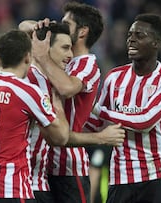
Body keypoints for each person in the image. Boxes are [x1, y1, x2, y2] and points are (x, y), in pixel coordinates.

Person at [23, 22, 125, 203]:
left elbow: (22, 29)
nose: (70, 55)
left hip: (37, 178)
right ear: (45, 46)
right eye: (64, 48)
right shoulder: (38, 83)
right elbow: (60, 137)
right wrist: (101, 137)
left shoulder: (33, 75)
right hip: (35, 181)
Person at [88, 13, 161, 203]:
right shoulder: (114, 77)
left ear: (156, 43)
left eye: (139, 35)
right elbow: (93, 123)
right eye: (129, 35)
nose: (131, 39)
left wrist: (97, 109)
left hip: (156, 176)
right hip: (120, 177)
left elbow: (145, 122)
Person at [0, 30, 70, 203]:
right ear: (27, 57)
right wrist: (57, 104)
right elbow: (61, 137)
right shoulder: (26, 91)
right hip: (13, 190)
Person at [30, 2, 105, 203]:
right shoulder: (61, 56)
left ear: (82, 32)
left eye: (65, 23)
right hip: (44, 165)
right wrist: (43, 27)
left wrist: (43, 57)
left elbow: (66, 88)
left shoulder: (88, 65)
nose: (59, 25)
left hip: (69, 167)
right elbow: (22, 28)